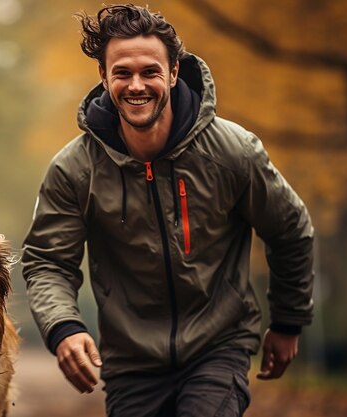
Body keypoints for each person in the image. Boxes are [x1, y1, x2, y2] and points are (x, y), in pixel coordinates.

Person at [22, 4, 314, 417]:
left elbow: (290, 230)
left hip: (219, 346)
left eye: (150, 72)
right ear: (103, 78)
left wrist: (287, 321)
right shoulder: (74, 169)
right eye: (122, 72)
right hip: (131, 364)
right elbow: (48, 261)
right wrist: (63, 327)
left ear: (174, 73)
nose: (136, 85)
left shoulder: (233, 152)